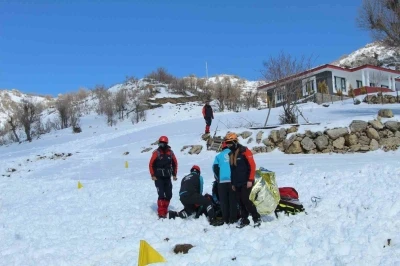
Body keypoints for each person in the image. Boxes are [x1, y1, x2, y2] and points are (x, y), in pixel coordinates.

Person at [224, 132, 261, 228]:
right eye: (227, 143)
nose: (228, 145)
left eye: (230, 142)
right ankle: (245, 219)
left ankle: (256, 218)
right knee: (239, 201)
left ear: (235, 142)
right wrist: (232, 183)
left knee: (246, 200)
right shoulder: (231, 154)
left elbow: (252, 166)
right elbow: (232, 170)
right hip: (236, 182)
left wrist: (250, 179)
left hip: (246, 181)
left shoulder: (245, 151)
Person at [149, 136, 178, 218]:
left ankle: (165, 208)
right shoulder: (156, 153)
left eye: (163, 143)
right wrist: (152, 175)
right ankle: (161, 212)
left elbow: (175, 163)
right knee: (161, 194)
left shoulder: (170, 153)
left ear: (166, 144)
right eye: (160, 143)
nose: (161, 145)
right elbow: (151, 164)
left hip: (167, 177)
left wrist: (174, 174)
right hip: (158, 177)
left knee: (169, 194)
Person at [212, 142, 238, 224]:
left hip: (222, 181)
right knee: (232, 200)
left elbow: (215, 168)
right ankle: (233, 219)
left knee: (224, 201)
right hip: (232, 181)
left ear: (222, 148)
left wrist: (219, 178)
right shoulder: (233, 154)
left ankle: (225, 218)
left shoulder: (218, 156)